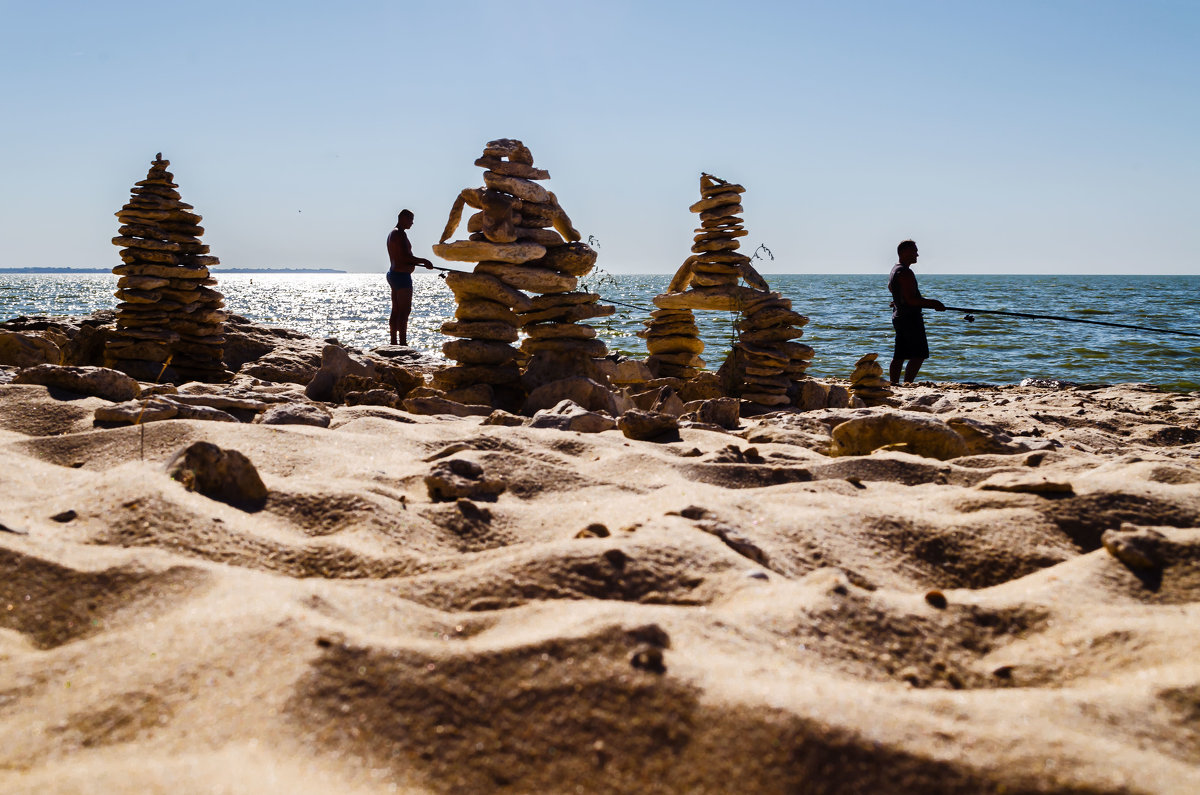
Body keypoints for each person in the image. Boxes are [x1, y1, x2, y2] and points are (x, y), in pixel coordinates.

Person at [887, 239, 944, 384]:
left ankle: (894, 384)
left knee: (899, 355)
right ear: (905, 252)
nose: (917, 255)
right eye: (914, 251)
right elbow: (912, 300)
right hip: (909, 318)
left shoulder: (895, 269)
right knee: (919, 354)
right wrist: (934, 303)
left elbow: (891, 287)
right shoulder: (905, 272)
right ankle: (907, 384)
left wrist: (898, 300)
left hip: (899, 316)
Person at [386, 209, 434, 346]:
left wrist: (419, 262)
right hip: (401, 277)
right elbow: (405, 257)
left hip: (393, 274)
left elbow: (402, 257)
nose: (412, 223)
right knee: (404, 311)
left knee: (396, 310)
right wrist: (424, 261)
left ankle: (393, 342)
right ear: (402, 218)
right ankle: (402, 344)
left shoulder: (393, 233)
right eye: (410, 219)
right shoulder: (399, 234)